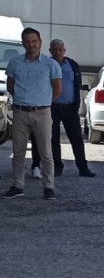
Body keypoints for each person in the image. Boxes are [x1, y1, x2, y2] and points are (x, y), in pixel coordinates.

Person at [2, 27, 61, 200]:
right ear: (23, 44)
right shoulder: (15, 63)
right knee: (18, 152)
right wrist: (22, 100)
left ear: (40, 42)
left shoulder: (51, 65)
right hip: (20, 112)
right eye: (27, 42)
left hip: (42, 112)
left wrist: (42, 102)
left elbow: (57, 90)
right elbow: (11, 86)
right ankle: (17, 186)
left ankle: (48, 187)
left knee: (45, 152)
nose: (31, 45)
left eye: (34, 41)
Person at [30, 39, 96, 178]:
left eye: (60, 49)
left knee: (77, 138)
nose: (58, 52)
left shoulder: (72, 65)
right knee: (53, 139)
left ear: (64, 50)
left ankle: (83, 168)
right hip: (52, 107)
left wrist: (76, 104)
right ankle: (57, 167)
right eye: (55, 49)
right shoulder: (45, 65)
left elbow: (76, 85)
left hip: (70, 107)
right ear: (50, 51)